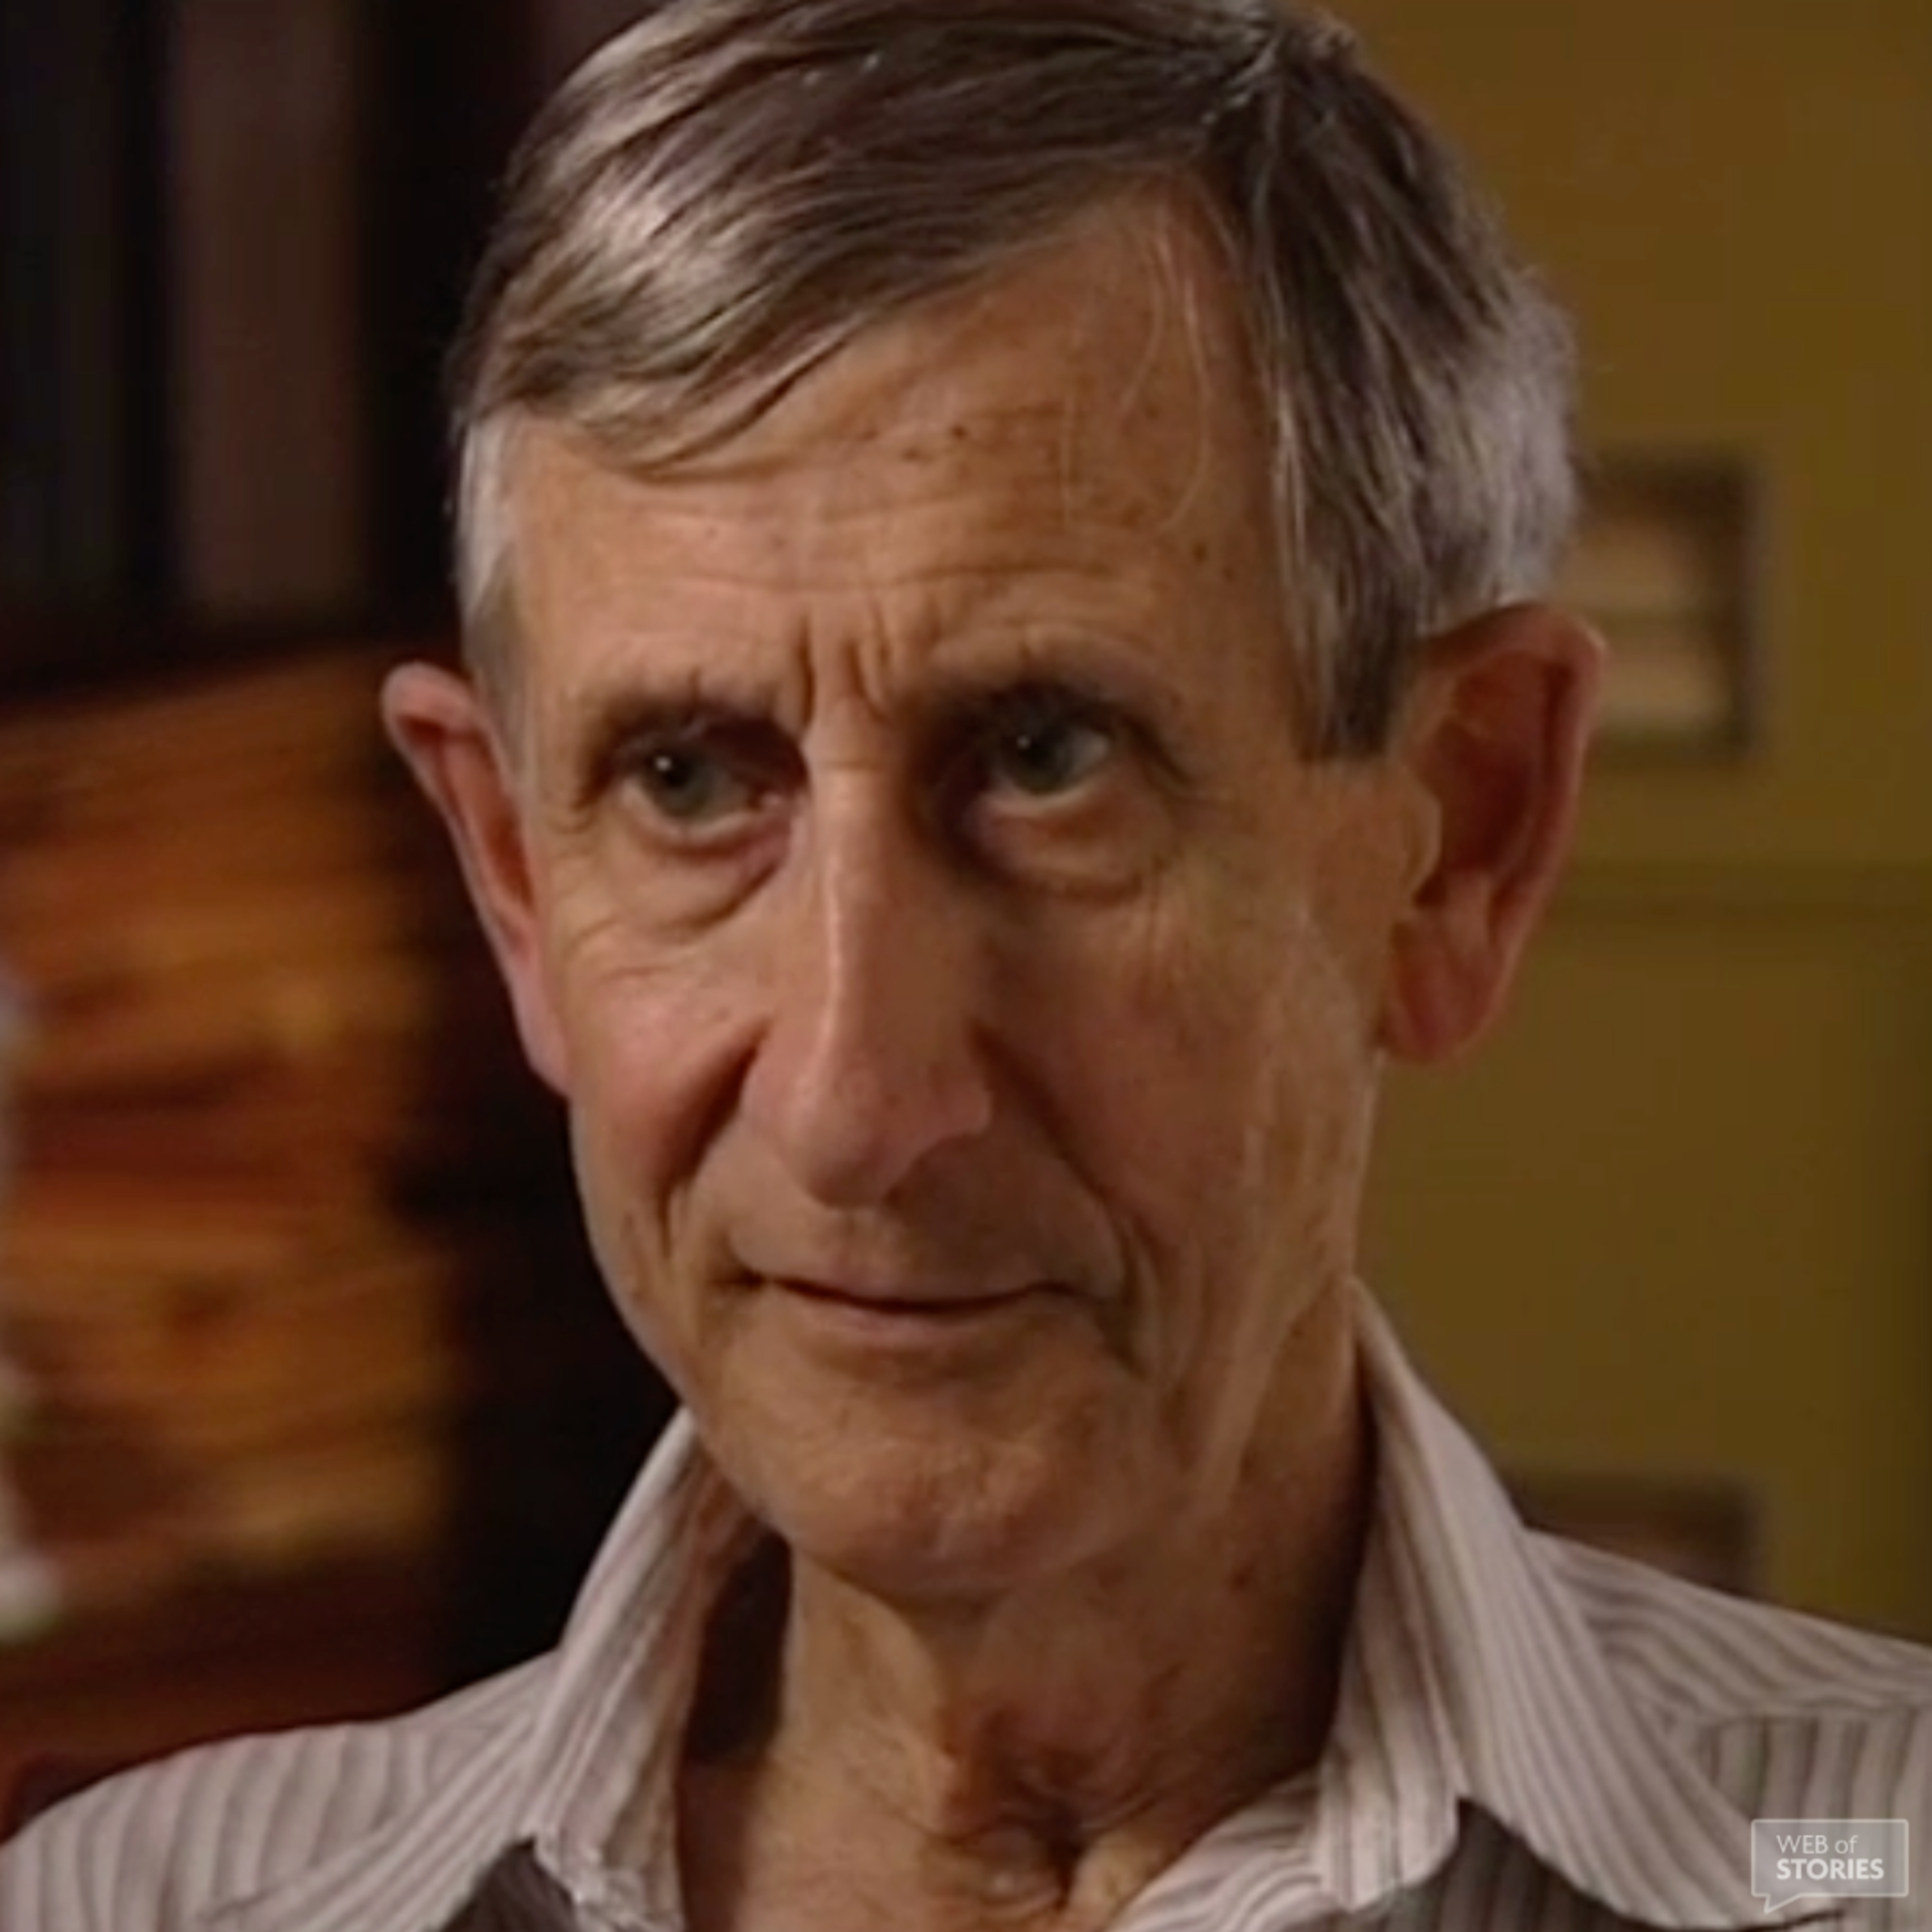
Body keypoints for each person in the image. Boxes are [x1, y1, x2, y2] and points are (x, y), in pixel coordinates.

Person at [5, 2, 1930, 1927]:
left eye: (1044, 759)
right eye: (687, 783)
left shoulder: (1851, 1864)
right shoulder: (144, 1908)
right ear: (513, 881)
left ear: (1460, 835)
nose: (851, 1104)